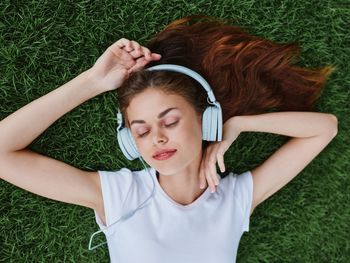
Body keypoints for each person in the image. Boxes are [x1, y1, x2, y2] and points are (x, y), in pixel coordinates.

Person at [0, 14, 338, 263]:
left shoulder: (233, 199)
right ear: (130, 142)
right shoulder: (119, 197)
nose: (157, 139)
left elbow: (325, 127)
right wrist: (93, 82)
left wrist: (237, 126)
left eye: (171, 121)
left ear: (207, 121)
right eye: (142, 131)